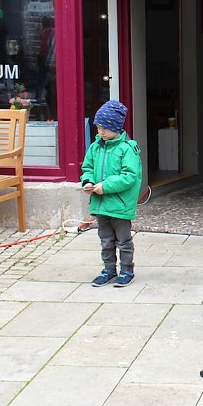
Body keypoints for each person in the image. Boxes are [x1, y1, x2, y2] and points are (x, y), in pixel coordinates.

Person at [81, 100, 143, 287]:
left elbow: (129, 176)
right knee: (105, 240)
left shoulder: (127, 149)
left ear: (116, 127)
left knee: (123, 241)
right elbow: (88, 167)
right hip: (101, 205)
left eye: (105, 128)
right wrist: (88, 181)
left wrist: (105, 186)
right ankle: (108, 269)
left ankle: (126, 270)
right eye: (98, 128)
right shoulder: (95, 147)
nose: (101, 132)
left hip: (120, 205)